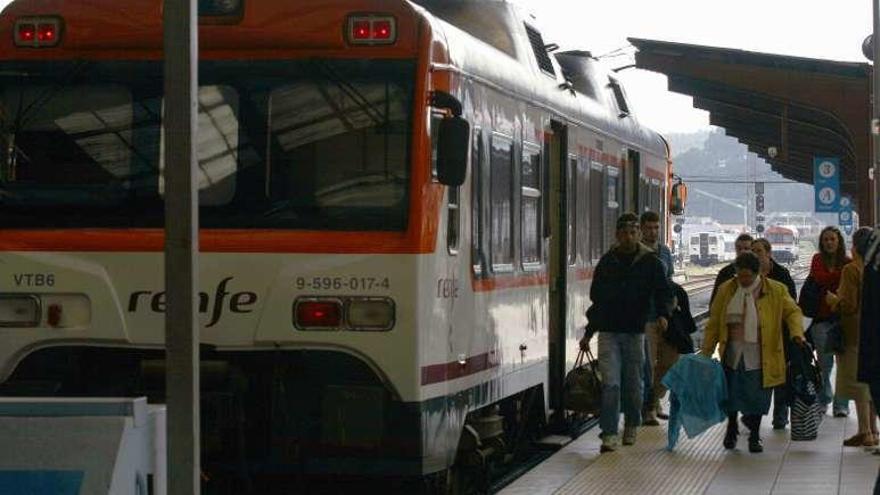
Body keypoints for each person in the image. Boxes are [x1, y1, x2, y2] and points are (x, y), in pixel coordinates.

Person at [583, 212, 672, 452]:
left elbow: (662, 291)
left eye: (633, 233)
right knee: (611, 383)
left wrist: (663, 314)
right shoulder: (607, 262)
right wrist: (589, 332)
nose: (629, 237)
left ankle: (632, 423)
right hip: (609, 331)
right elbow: (597, 300)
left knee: (634, 382)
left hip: (635, 331)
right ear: (617, 235)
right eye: (624, 233)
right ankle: (609, 432)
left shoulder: (650, 262)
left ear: (639, 234)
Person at [702, 252, 805, 453]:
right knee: (731, 393)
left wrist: (796, 333)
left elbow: (793, 311)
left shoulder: (776, 290)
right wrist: (706, 351)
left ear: (758, 274)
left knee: (758, 397)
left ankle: (755, 435)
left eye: (748, 276)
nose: (743, 280)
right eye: (740, 276)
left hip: (762, 353)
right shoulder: (727, 289)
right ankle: (731, 428)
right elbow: (714, 322)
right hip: (732, 352)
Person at [826, 227, 878, 447]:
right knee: (873, 380)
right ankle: (873, 431)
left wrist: (833, 300)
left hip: (855, 333)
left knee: (859, 382)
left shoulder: (852, 269)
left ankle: (865, 431)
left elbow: (848, 305)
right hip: (874, 332)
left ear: (855, 247)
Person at [751, 238, 797, 430]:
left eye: (758, 251)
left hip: (779, 334)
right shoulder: (747, 277)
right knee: (756, 378)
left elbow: (792, 305)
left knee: (780, 376)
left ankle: (780, 416)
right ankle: (754, 417)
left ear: (768, 253)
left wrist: (795, 333)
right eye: (752, 251)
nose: (755, 255)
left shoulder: (781, 276)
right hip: (754, 336)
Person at [807, 226, 851, 417]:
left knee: (843, 364)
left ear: (839, 241)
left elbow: (827, 280)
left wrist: (832, 281)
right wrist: (839, 277)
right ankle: (824, 398)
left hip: (842, 320)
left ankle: (842, 405)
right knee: (824, 363)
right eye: (825, 239)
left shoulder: (848, 262)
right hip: (821, 318)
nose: (829, 242)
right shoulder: (817, 260)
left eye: (832, 239)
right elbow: (821, 277)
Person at [639, 211, 676, 426]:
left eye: (656, 228)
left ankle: (655, 399)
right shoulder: (638, 253)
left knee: (670, 361)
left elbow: (668, 280)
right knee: (647, 365)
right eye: (649, 228)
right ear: (642, 228)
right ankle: (649, 408)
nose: (653, 231)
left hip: (664, 315)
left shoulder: (664, 252)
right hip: (646, 316)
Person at [710, 233, 754, 304]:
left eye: (746, 248)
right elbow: (715, 301)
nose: (742, 251)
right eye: (739, 249)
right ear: (736, 249)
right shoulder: (725, 273)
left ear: (752, 250)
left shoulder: (759, 271)